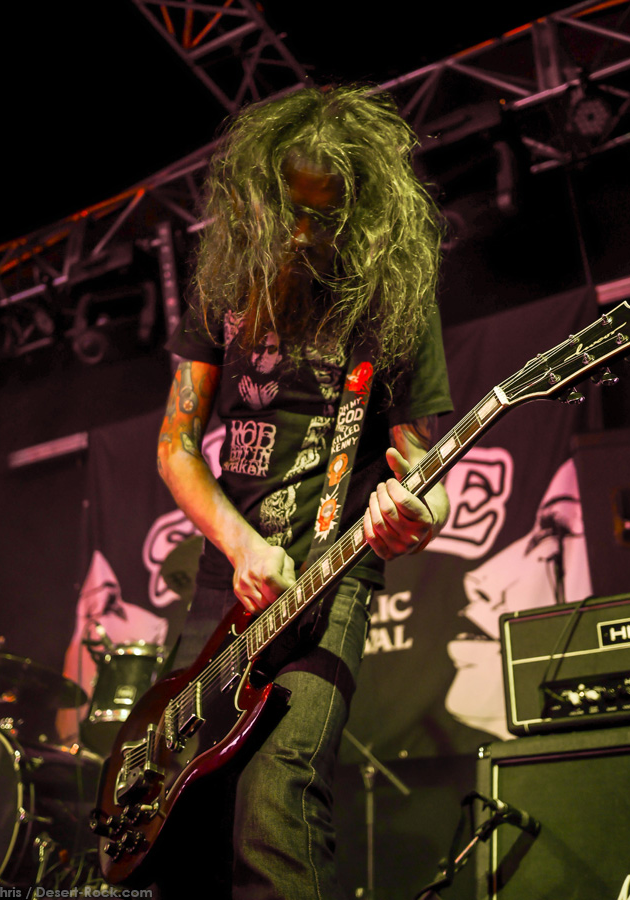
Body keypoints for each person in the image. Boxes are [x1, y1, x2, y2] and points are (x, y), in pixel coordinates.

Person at [156, 85, 453, 899]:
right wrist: (241, 546)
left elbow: (423, 474)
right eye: (287, 209)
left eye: (322, 217)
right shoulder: (225, 281)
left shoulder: (393, 299)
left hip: (332, 577)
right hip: (226, 582)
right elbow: (176, 447)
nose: (298, 232)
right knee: (175, 820)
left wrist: (418, 515)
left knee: (274, 799)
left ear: (359, 213)